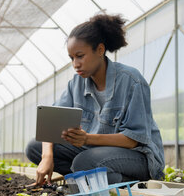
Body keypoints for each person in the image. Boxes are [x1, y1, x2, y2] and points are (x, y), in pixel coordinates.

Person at [26, 13, 165, 186]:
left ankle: (128, 183)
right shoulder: (76, 83)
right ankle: (85, 180)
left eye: (80, 56)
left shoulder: (131, 81)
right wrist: (47, 158)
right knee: (35, 147)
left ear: (99, 50)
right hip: (96, 152)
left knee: (84, 162)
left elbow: (133, 139)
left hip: (138, 156)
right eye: (72, 58)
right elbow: (50, 125)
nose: (75, 64)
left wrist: (87, 139)